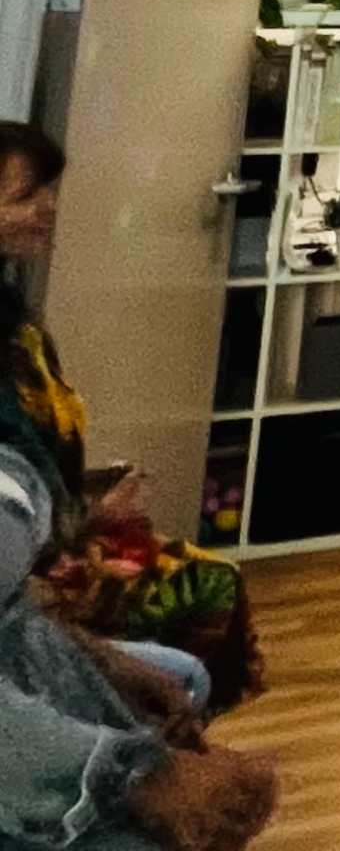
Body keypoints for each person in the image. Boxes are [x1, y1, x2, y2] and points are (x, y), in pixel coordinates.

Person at [0, 125, 259, 714]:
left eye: (49, 191)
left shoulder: (14, 314)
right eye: (26, 196)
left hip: (52, 533)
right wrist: (92, 517)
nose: (49, 207)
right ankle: (149, 745)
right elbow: (13, 485)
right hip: (29, 567)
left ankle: (149, 741)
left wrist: (91, 494)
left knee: (205, 576)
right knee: (211, 587)